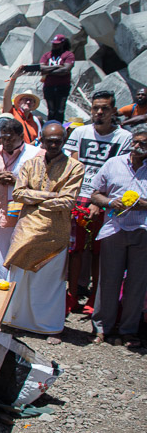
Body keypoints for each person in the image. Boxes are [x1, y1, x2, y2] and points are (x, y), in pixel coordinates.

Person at [3, 123, 83, 340]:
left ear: (64, 141)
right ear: (42, 140)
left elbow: (68, 201)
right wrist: (50, 196)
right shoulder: (31, 164)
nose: (54, 144)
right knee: (21, 277)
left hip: (53, 233)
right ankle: (15, 321)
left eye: (58, 141)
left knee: (50, 282)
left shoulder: (74, 167)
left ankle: (49, 326)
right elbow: (19, 194)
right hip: (26, 230)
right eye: (50, 141)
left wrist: (36, 197)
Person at [63, 91, 131, 313]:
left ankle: (95, 297)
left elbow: (120, 171)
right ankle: (71, 295)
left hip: (106, 200)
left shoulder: (123, 138)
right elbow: (72, 164)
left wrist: (100, 201)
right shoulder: (80, 132)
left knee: (99, 251)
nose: (99, 113)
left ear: (113, 111)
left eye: (104, 108)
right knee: (75, 250)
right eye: (95, 108)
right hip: (79, 197)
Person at [89, 124, 147, 346]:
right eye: (136, 142)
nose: (137, 147)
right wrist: (110, 202)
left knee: (137, 283)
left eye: (143, 143)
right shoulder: (114, 163)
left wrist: (143, 204)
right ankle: (102, 326)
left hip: (142, 230)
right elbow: (95, 194)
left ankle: (129, 330)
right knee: (108, 280)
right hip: (115, 228)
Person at [0, 118, 43, 278]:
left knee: (18, 263)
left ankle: (15, 299)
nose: (6, 142)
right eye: (3, 138)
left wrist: (18, 182)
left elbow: (45, 184)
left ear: (21, 137)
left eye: (11, 139)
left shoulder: (36, 155)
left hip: (24, 218)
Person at [39, 34, 76, 123]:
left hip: (62, 87)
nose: (54, 46)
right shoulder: (47, 55)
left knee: (60, 110)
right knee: (51, 110)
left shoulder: (68, 55)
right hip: (49, 86)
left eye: (57, 44)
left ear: (62, 44)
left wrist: (48, 71)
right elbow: (41, 68)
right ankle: (50, 126)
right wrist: (58, 67)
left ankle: (59, 127)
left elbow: (66, 70)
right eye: (53, 44)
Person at [2, 70, 42, 144]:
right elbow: (6, 97)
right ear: (19, 102)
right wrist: (13, 78)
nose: (28, 102)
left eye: (31, 100)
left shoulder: (34, 122)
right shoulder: (12, 114)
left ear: (34, 104)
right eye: (25, 99)